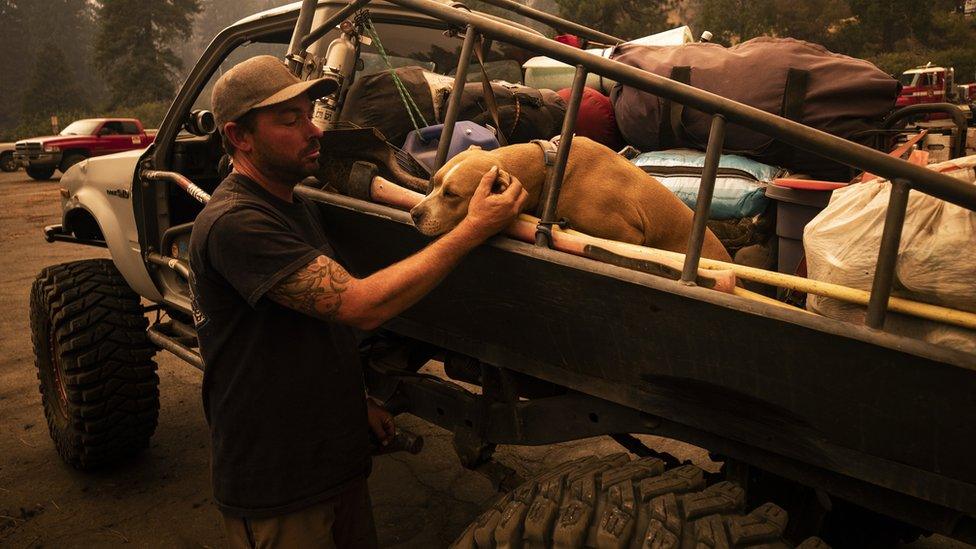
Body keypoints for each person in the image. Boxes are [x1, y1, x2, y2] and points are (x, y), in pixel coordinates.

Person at [188, 55, 527, 548]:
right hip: (280, 484)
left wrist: (355, 403)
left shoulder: (292, 204)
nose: (314, 131)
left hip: (333, 461)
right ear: (239, 137)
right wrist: (472, 228)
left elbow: (313, 329)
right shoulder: (237, 222)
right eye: (290, 121)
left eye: (309, 115)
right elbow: (358, 305)